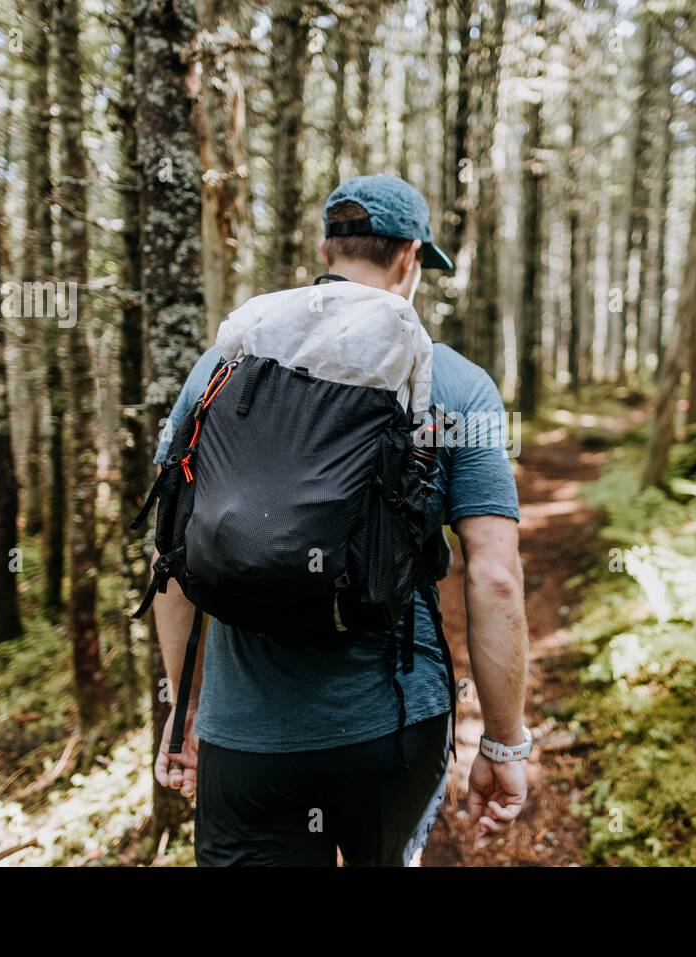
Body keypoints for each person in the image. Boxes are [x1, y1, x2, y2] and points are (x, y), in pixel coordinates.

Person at [150, 174, 530, 866]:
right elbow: (496, 576)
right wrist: (502, 744)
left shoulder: (222, 367)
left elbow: (173, 562)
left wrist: (185, 710)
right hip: (391, 731)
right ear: (411, 257)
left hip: (246, 738)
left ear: (327, 246)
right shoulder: (455, 382)